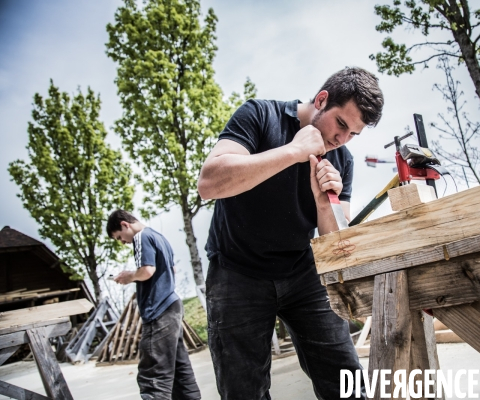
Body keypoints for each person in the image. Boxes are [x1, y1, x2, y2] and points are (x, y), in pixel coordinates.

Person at [197, 67, 384, 400]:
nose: (342, 139)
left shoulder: (342, 160)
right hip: (237, 272)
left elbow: (336, 245)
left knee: (347, 383)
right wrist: (294, 152)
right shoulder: (260, 115)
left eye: (353, 133)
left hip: (302, 274)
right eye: (341, 124)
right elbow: (209, 183)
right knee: (243, 390)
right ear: (322, 100)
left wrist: (326, 204)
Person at [106, 210, 201, 400]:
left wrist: (129, 276)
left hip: (158, 310)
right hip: (172, 306)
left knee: (153, 376)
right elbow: (171, 269)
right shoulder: (159, 237)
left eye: (119, 237)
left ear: (125, 225)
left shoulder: (141, 237)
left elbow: (147, 270)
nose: (123, 242)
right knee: (180, 370)